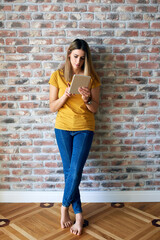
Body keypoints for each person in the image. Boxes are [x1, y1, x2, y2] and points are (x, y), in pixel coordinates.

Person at [49, 39, 100, 235]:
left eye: (82, 58)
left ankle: (63, 209)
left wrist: (87, 98)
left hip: (84, 127)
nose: (78, 61)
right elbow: (52, 107)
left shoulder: (91, 78)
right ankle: (79, 215)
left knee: (76, 171)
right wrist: (66, 96)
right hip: (62, 128)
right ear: (69, 55)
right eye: (75, 56)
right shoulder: (58, 76)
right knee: (70, 172)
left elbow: (95, 109)